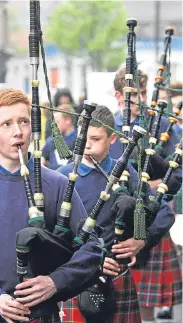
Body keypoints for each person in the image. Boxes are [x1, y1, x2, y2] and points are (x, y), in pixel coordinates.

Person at [0, 88, 103, 323]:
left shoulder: (56, 184)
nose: (18, 131)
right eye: (6, 124)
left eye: (24, 121)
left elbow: (92, 249)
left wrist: (55, 281)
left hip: (40, 315)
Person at [58, 105, 175, 323]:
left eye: (96, 138)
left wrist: (141, 239)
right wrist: (90, 262)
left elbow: (163, 214)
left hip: (116, 276)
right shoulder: (62, 177)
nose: (87, 145)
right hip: (74, 277)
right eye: (84, 137)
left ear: (112, 139)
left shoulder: (125, 174)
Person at [111, 68, 182, 323]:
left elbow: (178, 170)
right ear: (119, 96)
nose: (140, 100)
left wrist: (152, 186)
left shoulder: (162, 124)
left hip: (152, 218)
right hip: (115, 220)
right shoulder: (109, 127)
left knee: (145, 302)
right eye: (135, 94)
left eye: (143, 92)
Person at [42, 104, 77, 170]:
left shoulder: (79, 141)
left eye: (57, 122)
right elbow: (41, 155)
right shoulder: (51, 141)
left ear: (68, 120)